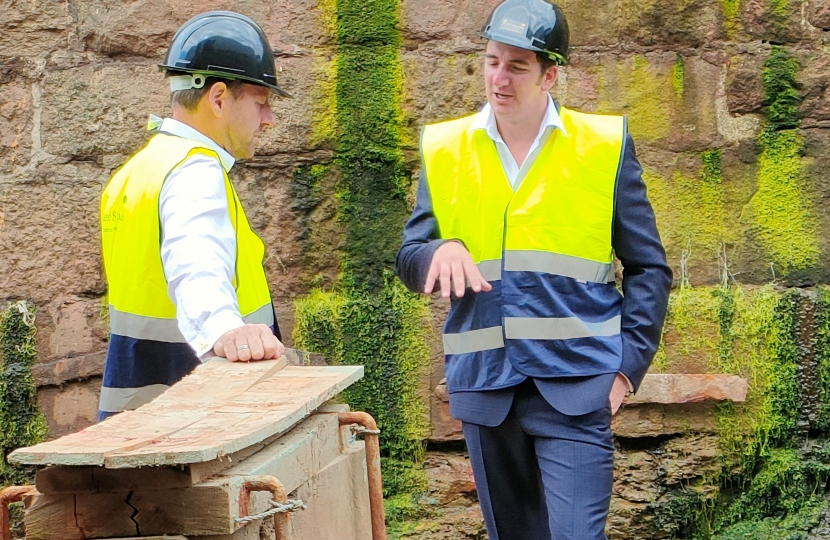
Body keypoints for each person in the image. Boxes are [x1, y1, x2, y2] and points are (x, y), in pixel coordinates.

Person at [395, 0, 672, 537]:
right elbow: (410, 258)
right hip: (484, 386)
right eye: (493, 61)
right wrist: (437, 252)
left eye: (517, 66)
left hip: (577, 385)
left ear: (550, 74)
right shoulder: (445, 148)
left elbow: (648, 268)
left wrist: (623, 372)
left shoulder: (602, 146)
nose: (500, 78)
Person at [97, 11, 288, 421]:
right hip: (191, 422)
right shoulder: (194, 171)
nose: (269, 118)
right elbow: (195, 259)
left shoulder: (140, 168)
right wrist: (225, 330)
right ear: (218, 98)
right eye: (260, 101)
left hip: (137, 421)